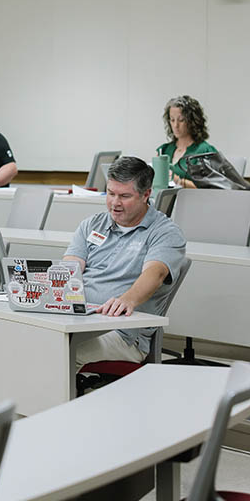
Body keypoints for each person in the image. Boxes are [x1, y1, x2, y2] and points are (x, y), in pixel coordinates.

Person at [63, 156, 186, 368]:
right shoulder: (92, 224)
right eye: (110, 194)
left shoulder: (165, 232)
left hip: (123, 334)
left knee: (62, 353)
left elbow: (154, 274)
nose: (115, 203)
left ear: (146, 194)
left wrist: (127, 300)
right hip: (80, 321)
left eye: (124, 196)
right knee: (33, 342)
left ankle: (58, 402)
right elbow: (70, 268)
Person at [157, 95, 217, 189]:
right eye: (172, 120)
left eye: (181, 120)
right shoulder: (164, 150)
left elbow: (210, 190)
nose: (175, 125)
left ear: (193, 121)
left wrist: (176, 180)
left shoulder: (205, 151)